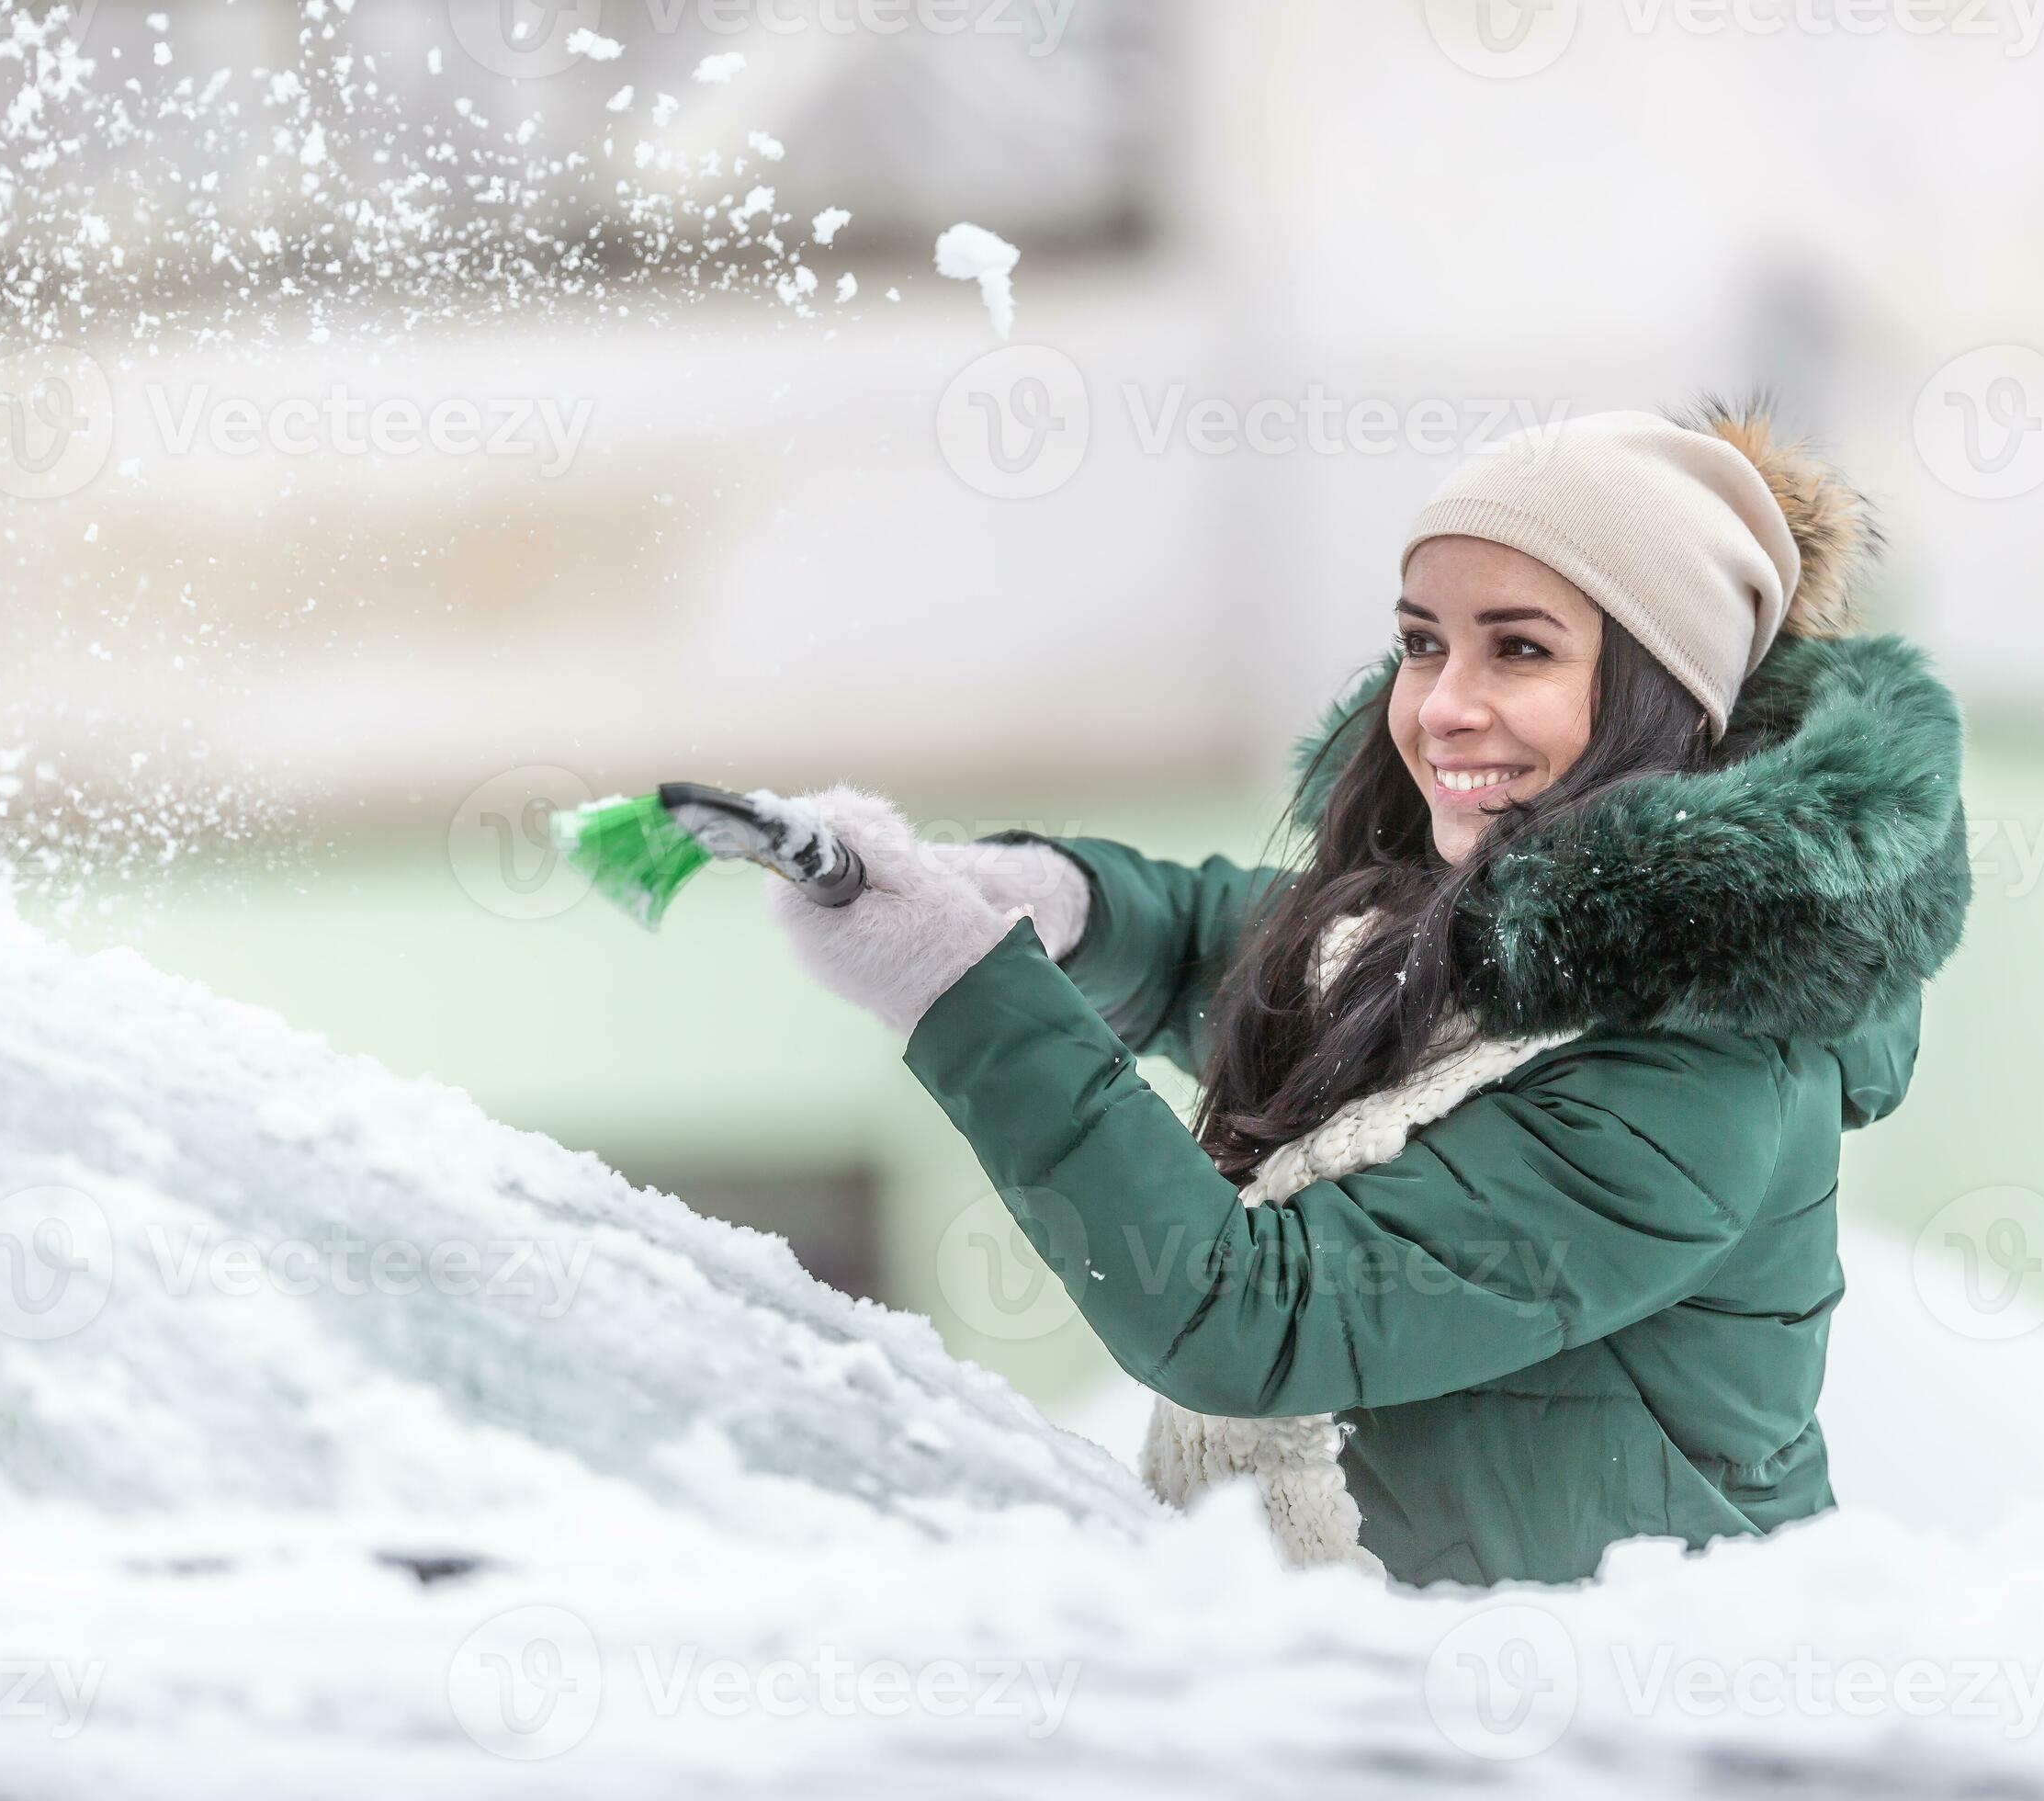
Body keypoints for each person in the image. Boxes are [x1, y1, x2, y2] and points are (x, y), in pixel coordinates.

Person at [767, 397, 1973, 1587]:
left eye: (1521, 647)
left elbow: (1255, 1319)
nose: (1443, 705)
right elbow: (1266, 957)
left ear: (1669, 689)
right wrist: (1050, 900)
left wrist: (961, 990)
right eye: (1422, 641)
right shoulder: (1497, 929)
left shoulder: (1692, 1077)